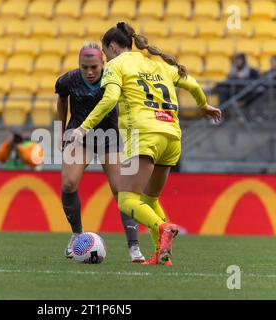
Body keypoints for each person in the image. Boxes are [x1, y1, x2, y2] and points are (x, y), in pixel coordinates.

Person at [71, 22, 221, 265]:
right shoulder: (159, 65)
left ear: (112, 47)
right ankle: (162, 255)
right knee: (150, 200)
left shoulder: (116, 65)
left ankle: (163, 227)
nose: (105, 57)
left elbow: (109, 98)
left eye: (105, 52)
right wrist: (203, 105)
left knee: (127, 199)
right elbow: (192, 84)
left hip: (145, 135)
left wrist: (83, 127)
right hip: (172, 137)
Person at [55, 41, 145, 263]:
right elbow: (61, 100)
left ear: (103, 62)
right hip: (80, 136)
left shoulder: (114, 77)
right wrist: (61, 130)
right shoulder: (68, 80)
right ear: (79, 65)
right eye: (85, 67)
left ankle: (134, 246)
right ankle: (76, 234)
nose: (90, 71)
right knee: (68, 183)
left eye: (94, 66)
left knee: (121, 190)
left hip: (109, 138)